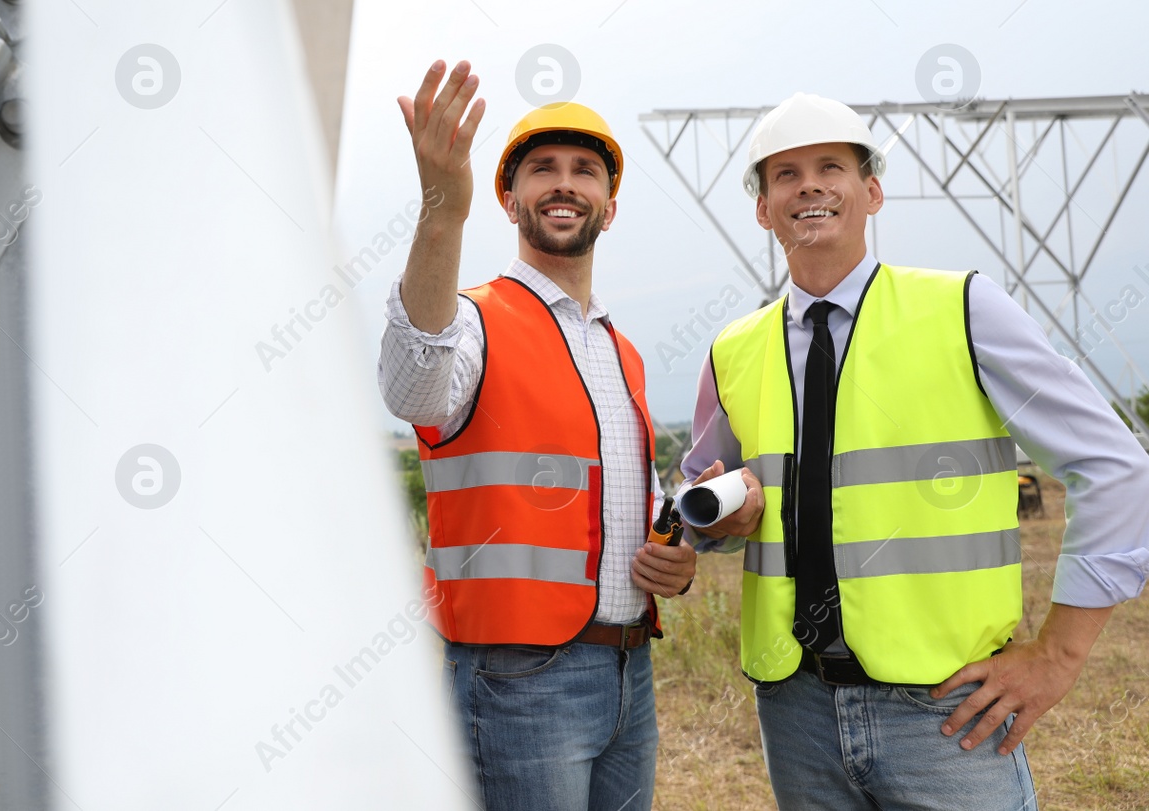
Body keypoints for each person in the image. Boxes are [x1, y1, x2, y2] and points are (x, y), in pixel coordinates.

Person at [679, 92, 1149, 810]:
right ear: (763, 207)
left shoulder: (962, 308)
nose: (808, 184)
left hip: (943, 710)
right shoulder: (732, 351)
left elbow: (1115, 467)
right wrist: (707, 526)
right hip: (795, 711)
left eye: (831, 166)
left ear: (871, 191)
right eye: (785, 173)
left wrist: (1057, 656)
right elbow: (701, 503)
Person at [379, 59, 695, 811]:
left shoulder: (622, 353)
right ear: (508, 197)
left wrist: (670, 561)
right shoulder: (474, 320)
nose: (565, 183)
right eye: (542, 169)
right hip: (517, 679)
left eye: (585, 170)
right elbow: (411, 387)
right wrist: (440, 213)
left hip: (629, 672)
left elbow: (619, 506)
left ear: (609, 206)